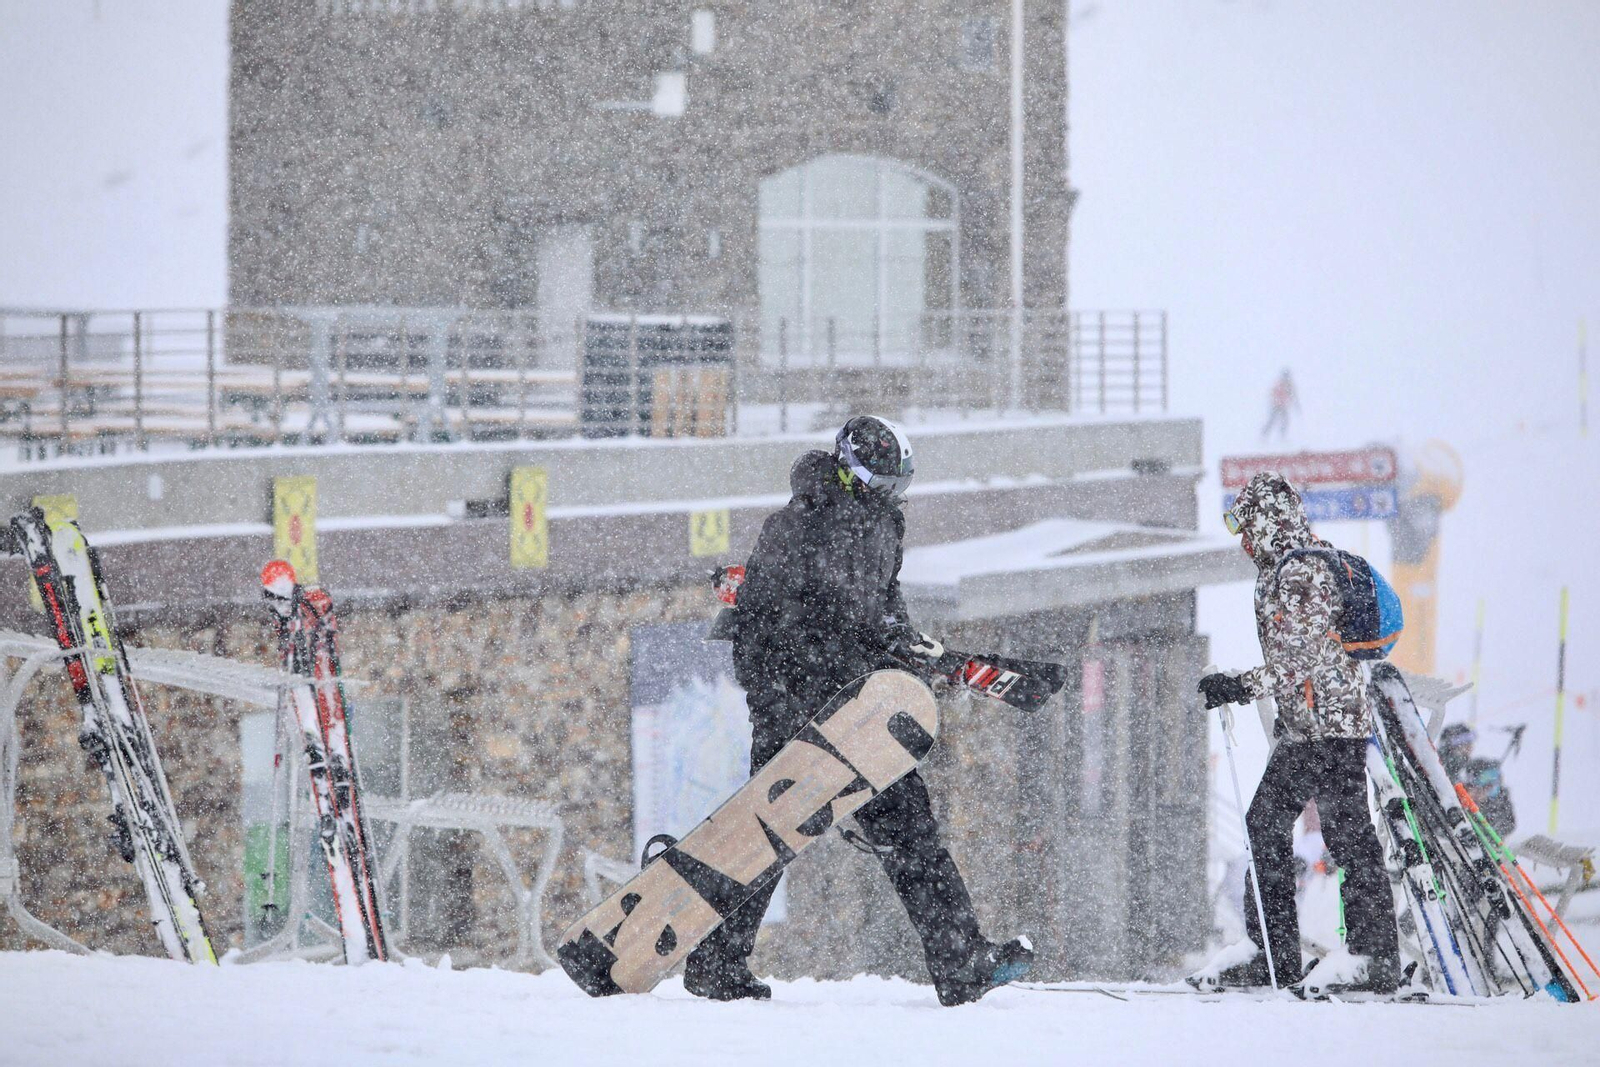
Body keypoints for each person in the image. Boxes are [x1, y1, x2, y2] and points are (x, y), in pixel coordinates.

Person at [691, 414, 1033, 1005]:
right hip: (796, 707)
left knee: (908, 831)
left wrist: (909, 652)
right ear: (850, 469)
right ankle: (718, 963)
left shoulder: (883, 526)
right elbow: (756, 626)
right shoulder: (795, 528)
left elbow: (882, 609)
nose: (888, 495)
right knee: (767, 834)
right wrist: (779, 706)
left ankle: (962, 961)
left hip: (859, 708)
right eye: (880, 482)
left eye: (898, 486)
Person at [1191, 471, 1401, 995]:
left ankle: (1359, 956)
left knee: (1337, 834)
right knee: (1282, 825)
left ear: (1264, 521)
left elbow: (1298, 662)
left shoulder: (1301, 569)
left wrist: (1238, 685)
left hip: (1328, 727)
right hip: (1314, 726)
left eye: (1243, 522)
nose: (1240, 537)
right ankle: (1282, 952)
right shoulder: (1291, 564)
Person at [1261, 368, 1299, 441]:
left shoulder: (1289, 385)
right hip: (1276, 405)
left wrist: (1296, 404)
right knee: (1272, 421)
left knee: (1284, 421)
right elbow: (1273, 393)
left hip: (1283, 406)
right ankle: (1264, 435)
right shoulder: (1279, 383)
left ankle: (1282, 437)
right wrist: (1276, 402)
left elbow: (1293, 395)